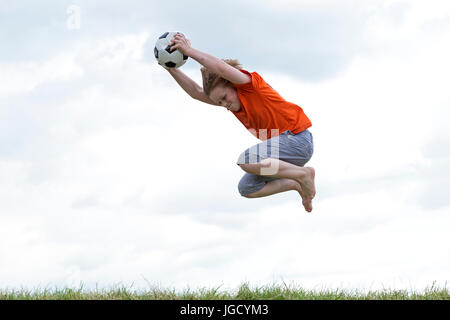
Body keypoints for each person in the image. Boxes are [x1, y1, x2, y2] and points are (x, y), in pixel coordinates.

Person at [161, 33, 316, 212]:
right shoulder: (235, 105)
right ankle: (296, 183)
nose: (224, 104)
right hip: (284, 155)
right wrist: (171, 68)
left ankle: (304, 174)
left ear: (233, 84)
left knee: (247, 161)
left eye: (224, 98)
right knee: (248, 188)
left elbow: (220, 68)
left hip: (297, 139)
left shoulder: (250, 86)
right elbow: (196, 92)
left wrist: (189, 51)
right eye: (220, 102)